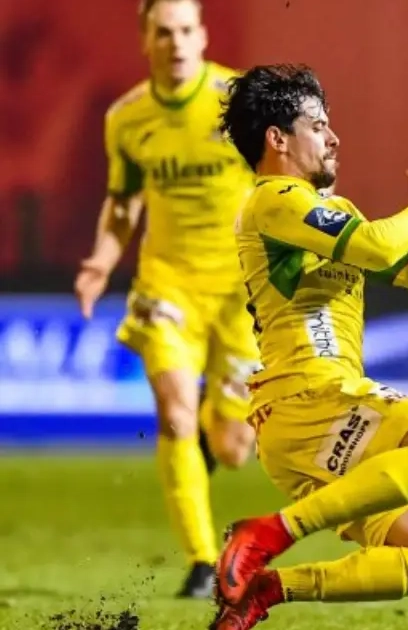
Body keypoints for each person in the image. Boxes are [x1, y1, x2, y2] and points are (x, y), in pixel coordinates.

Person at [210, 64, 408, 630]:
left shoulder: (323, 215)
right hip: (310, 397)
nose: (334, 138)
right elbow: (377, 247)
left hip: (312, 419)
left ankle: (267, 590)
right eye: (318, 126)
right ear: (277, 139)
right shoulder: (274, 200)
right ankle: (267, 533)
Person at [73, 0, 258, 599]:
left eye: (185, 31)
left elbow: (288, 177)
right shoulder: (127, 118)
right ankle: (203, 561)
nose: (175, 43)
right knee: (174, 413)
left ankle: (210, 428)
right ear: (145, 41)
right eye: (163, 33)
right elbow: (123, 203)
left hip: (241, 292)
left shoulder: (241, 101)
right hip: (167, 286)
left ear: (201, 36)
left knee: (234, 448)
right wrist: (101, 262)